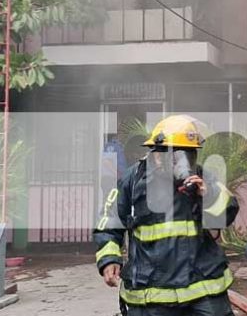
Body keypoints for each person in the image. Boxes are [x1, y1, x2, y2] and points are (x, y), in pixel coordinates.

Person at [94, 115, 239, 316]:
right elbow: (108, 221)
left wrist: (208, 195)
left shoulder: (201, 178)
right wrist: (109, 259)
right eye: (178, 155)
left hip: (202, 286)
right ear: (158, 155)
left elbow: (228, 212)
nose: (185, 162)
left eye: (190, 155)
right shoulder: (133, 181)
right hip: (152, 292)